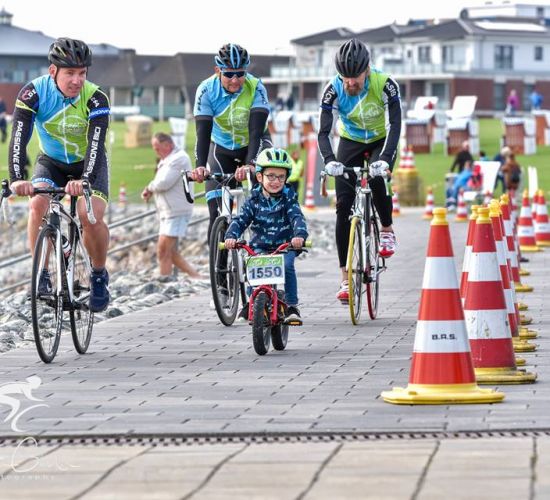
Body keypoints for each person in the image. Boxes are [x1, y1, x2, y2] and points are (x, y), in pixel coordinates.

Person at [7, 38, 111, 312]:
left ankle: (99, 274)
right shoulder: (33, 93)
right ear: (53, 71)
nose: (77, 80)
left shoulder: (96, 97)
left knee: (90, 216)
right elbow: (19, 137)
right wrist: (17, 177)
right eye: (70, 73)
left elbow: (96, 145)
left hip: (89, 164)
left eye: (82, 73)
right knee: (37, 205)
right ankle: (40, 273)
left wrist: (85, 179)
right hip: (51, 162)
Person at [317, 38, 402, 302]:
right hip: (350, 140)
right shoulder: (333, 89)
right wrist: (330, 159)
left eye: (355, 77)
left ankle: (386, 229)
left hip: (380, 140)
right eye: (345, 78)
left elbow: (395, 125)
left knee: (376, 179)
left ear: (367, 70)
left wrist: (386, 159)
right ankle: (345, 279)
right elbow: (323, 130)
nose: (350, 83)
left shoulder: (385, 84)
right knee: (343, 207)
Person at [191, 43, 272, 241]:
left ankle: (263, 250)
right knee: (216, 213)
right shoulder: (206, 90)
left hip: (254, 144)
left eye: (240, 73)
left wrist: (251, 164)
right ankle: (218, 268)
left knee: (262, 205)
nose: (235, 80)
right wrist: (200, 166)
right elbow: (203, 133)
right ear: (217, 70)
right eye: (229, 74)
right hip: (220, 148)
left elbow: (255, 132)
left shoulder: (256, 87)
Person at [224, 147, 309, 324]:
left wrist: (299, 235)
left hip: (285, 245)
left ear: (286, 178)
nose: (276, 181)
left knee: (287, 266)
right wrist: (231, 236)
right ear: (260, 177)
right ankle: (252, 301)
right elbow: (240, 220)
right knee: (253, 266)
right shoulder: (253, 201)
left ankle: (292, 306)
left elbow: (297, 218)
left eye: (280, 177)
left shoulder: (288, 199)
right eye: (271, 176)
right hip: (260, 246)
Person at [141, 132, 204, 279]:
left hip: (176, 211)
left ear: (168, 145)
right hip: (168, 211)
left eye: (157, 148)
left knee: (162, 249)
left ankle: (165, 280)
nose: (156, 151)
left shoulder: (179, 158)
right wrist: (151, 189)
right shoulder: (170, 159)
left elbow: (164, 183)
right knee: (169, 251)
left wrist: (149, 188)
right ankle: (195, 277)